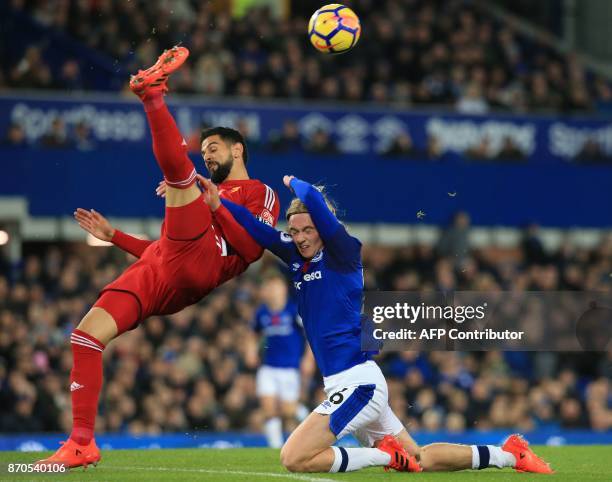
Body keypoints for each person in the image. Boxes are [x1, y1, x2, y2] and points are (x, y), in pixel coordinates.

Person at [205, 174, 553, 475]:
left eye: (308, 229)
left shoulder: (343, 250)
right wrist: (218, 202)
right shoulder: (297, 258)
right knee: (419, 458)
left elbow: (311, 197)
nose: (300, 237)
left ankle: (383, 455)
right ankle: (509, 455)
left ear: (323, 227)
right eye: (294, 231)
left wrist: (295, 184)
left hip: (358, 384)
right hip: (353, 383)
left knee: (293, 457)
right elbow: (256, 229)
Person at [35, 46, 280, 469]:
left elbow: (254, 248)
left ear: (238, 150)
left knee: (179, 176)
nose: (208, 154)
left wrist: (213, 202)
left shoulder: (260, 192)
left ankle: (152, 95)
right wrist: (115, 237)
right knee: (86, 336)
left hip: (202, 263)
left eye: (215, 148)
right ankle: (81, 443)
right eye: (204, 149)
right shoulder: (205, 191)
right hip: (162, 267)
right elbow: (164, 253)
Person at [253, 271, 310, 448]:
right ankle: (276, 448)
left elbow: (309, 334)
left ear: (284, 289)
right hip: (268, 367)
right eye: (269, 287)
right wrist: (250, 350)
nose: (272, 291)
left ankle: (308, 418)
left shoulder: (293, 310)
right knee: (269, 409)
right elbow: (252, 333)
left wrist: (308, 358)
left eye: (275, 287)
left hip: (289, 368)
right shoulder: (261, 312)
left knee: (288, 411)